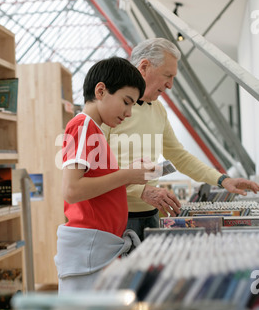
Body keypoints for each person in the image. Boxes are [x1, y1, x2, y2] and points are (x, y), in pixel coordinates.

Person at [102, 38, 259, 241]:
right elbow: (96, 171)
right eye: (167, 75)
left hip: (151, 216)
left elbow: (179, 156)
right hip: (117, 217)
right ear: (144, 67)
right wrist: (139, 190)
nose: (170, 84)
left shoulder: (158, 110)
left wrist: (223, 180)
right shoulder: (109, 109)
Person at [54, 56, 151, 293]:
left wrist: (130, 176)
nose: (128, 113)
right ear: (101, 90)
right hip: (90, 249)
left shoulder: (94, 129)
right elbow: (72, 190)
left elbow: (96, 188)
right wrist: (127, 175)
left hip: (98, 248)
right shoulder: (83, 125)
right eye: (126, 102)